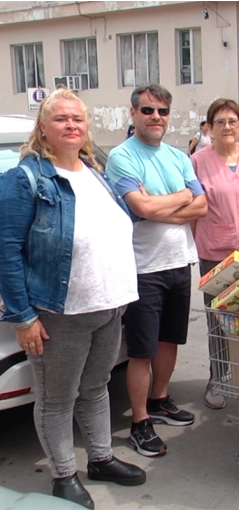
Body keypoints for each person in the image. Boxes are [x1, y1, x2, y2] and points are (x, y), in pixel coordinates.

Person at [0, 88, 146, 509]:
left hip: (110, 305)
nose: (71, 125)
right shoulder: (26, 179)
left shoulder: (95, 171)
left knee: (96, 388)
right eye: (61, 118)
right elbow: (6, 251)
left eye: (78, 119)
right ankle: (64, 476)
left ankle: (100, 458)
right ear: (43, 127)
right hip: (60, 313)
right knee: (57, 398)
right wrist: (24, 317)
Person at [106, 83, 208, 458]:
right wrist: (181, 197)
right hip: (143, 269)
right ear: (133, 114)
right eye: (148, 111)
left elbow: (202, 206)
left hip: (180, 262)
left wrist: (165, 202)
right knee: (142, 351)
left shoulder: (179, 156)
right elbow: (142, 209)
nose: (156, 118)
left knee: (169, 340)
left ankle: (160, 399)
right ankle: (139, 421)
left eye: (162, 112)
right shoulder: (122, 157)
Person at [192, 98, 239, 410]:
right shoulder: (198, 160)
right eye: (220, 122)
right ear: (209, 128)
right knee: (219, 320)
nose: (227, 127)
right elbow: (193, 209)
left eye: (232, 121)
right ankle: (218, 378)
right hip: (215, 252)